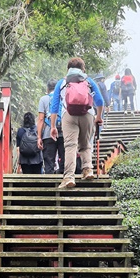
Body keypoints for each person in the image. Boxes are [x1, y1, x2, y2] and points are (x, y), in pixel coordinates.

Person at [48, 57, 104, 189]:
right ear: (83, 69)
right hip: (88, 115)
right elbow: (100, 101)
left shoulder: (62, 83)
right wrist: (99, 117)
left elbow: (54, 106)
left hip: (69, 115)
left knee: (70, 146)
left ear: (68, 69)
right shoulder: (88, 81)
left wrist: (52, 126)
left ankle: (69, 177)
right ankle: (88, 169)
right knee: (85, 145)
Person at [37, 79, 64, 174]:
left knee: (49, 163)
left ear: (47, 89)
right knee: (64, 162)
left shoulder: (43, 99)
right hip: (63, 133)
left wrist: (39, 137)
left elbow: (41, 120)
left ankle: (50, 186)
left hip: (48, 135)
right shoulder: (63, 98)